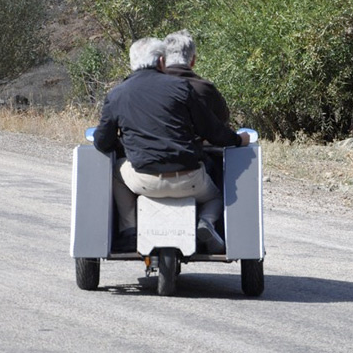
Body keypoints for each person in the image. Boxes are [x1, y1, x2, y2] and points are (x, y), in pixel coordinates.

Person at [93, 37, 249, 254]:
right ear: (161, 62)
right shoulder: (182, 88)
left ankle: (129, 231)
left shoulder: (117, 94)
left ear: (132, 62)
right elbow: (213, 131)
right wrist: (238, 139)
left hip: (143, 181)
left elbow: (102, 142)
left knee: (116, 173)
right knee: (215, 196)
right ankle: (205, 222)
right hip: (189, 179)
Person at [164, 29, 230, 125]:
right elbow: (222, 121)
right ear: (193, 60)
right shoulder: (205, 89)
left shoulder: (148, 88)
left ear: (162, 59)